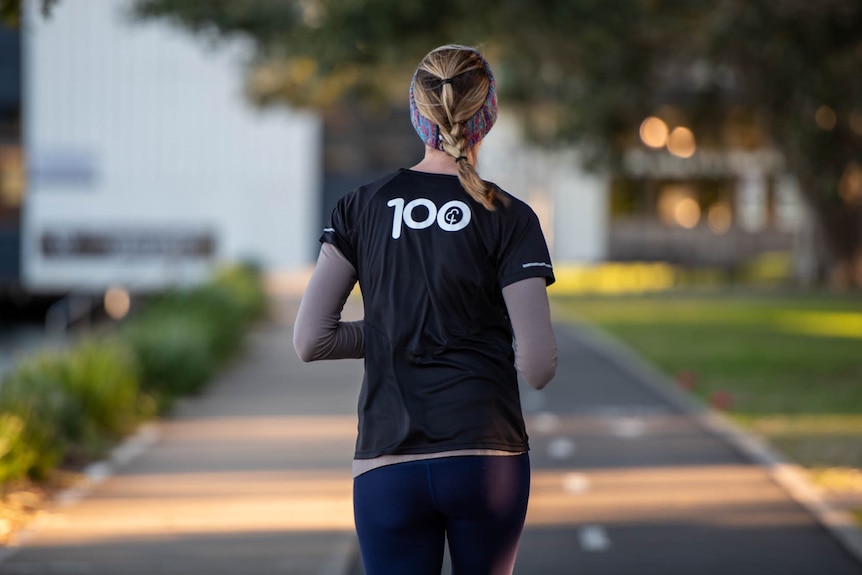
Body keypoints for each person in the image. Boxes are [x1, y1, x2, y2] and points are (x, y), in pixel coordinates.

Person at [294, 44, 557, 575]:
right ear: (488, 116)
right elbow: (538, 366)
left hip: (388, 459)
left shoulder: (361, 205)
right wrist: (463, 327)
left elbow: (311, 341)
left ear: (417, 115)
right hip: (486, 459)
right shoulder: (510, 216)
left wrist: (399, 325)